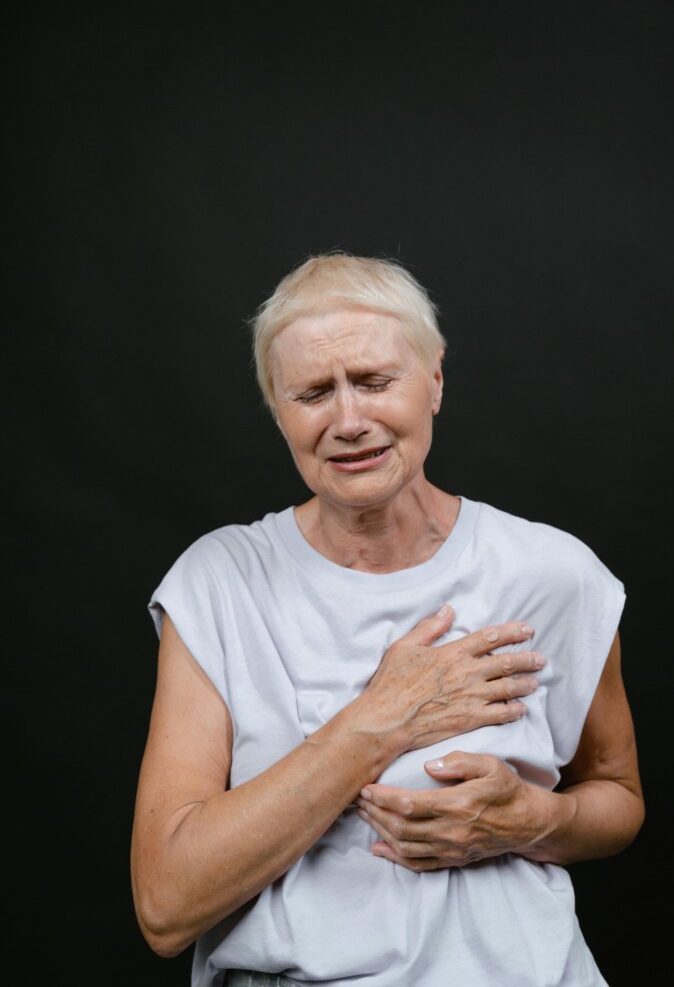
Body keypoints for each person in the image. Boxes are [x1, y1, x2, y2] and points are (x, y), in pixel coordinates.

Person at [131, 252, 644, 987]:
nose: (349, 421)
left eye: (374, 381)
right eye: (313, 393)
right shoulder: (219, 582)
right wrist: (382, 719)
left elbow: (618, 794)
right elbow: (165, 904)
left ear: (434, 380)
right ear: (278, 410)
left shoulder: (552, 572)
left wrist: (533, 820)